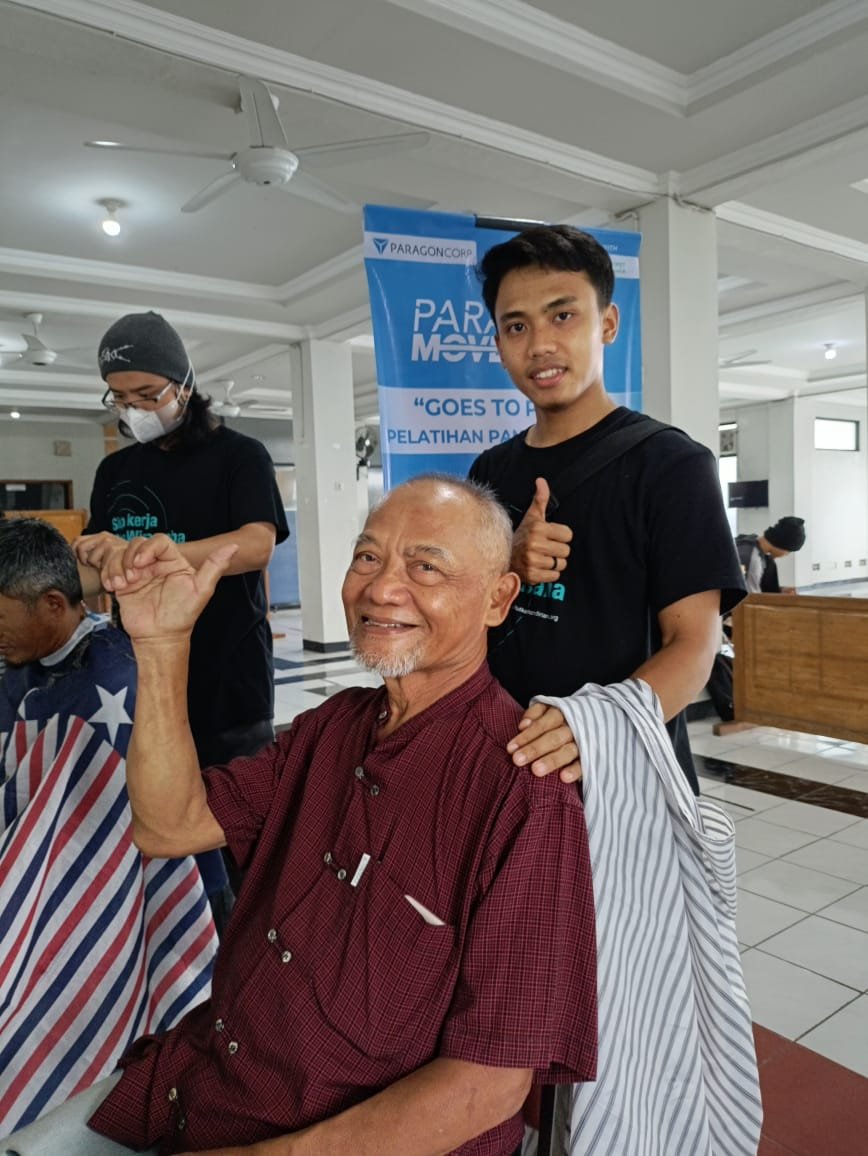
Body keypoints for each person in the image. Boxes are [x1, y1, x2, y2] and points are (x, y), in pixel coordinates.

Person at [3, 476, 597, 1156]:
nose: (380, 588)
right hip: (199, 1084)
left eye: (425, 566)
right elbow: (169, 826)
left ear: (499, 599)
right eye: (367, 558)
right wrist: (162, 646)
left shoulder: (522, 792)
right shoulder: (331, 727)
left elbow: (488, 1086)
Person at [468, 225, 746, 794]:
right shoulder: (489, 473)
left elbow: (694, 645)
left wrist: (594, 728)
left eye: (563, 316)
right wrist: (506, 565)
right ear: (498, 344)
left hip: (624, 777)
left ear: (608, 325)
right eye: (516, 326)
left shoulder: (670, 464)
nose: (540, 343)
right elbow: (465, 621)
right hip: (501, 765)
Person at [0, 519, 216, 1137]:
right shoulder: (18, 669)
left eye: (0, 619)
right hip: (43, 876)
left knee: (171, 1002)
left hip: (148, 878)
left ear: (51, 604)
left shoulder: (119, 670)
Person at [73, 310, 290, 911]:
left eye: (149, 393)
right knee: (165, 817)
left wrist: (157, 553)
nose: (134, 408)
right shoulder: (115, 469)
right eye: (119, 396)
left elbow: (256, 544)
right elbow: (100, 568)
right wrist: (91, 557)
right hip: (143, 676)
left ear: (185, 384)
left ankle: (254, 931)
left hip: (229, 675)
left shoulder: (239, 455)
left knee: (238, 827)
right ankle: (181, 940)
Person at [736, 516, 806, 594]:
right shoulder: (753, 559)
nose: (786, 555)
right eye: (789, 551)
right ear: (782, 545)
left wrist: (781, 591)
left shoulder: (748, 541)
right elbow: (750, 599)